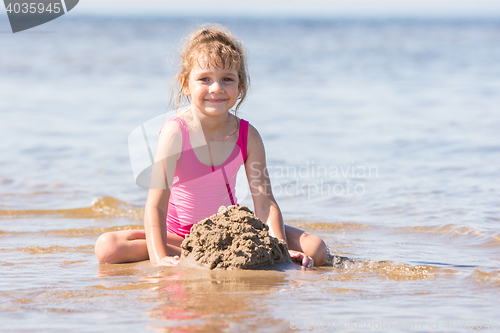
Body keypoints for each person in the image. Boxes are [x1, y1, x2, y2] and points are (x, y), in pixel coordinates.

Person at [95, 24, 329, 268]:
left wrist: (278, 250)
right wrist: (159, 258)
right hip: (180, 236)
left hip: (229, 234)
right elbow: (155, 204)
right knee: (107, 247)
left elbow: (265, 203)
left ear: (240, 86)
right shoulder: (176, 132)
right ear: (186, 84)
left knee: (317, 249)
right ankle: (191, 255)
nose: (216, 88)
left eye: (227, 79)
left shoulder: (248, 136)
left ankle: (203, 258)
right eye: (204, 79)